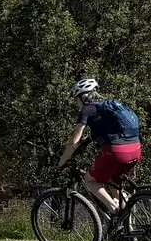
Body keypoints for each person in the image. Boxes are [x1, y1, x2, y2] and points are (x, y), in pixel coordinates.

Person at [58, 78, 141, 214]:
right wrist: (87, 141)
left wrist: (61, 162)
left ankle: (113, 209)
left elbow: (74, 141)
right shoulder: (109, 106)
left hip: (117, 152)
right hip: (136, 149)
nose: (77, 103)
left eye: (76, 99)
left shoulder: (87, 109)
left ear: (82, 97)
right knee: (115, 186)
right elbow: (108, 130)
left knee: (90, 180)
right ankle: (128, 228)